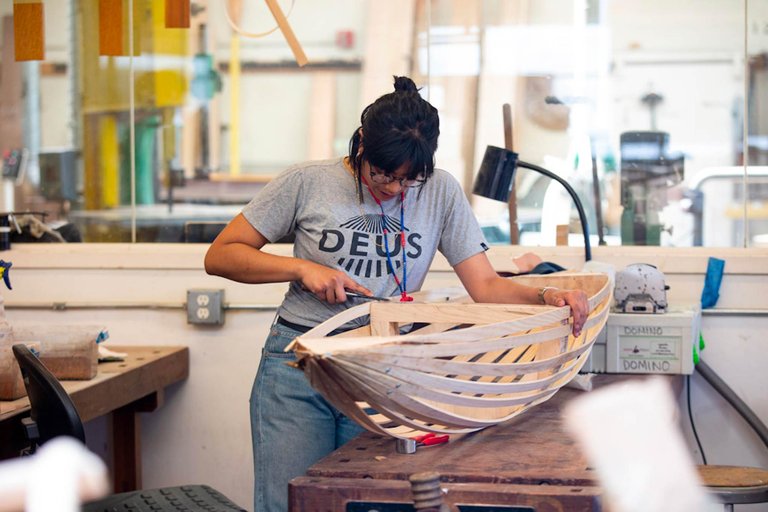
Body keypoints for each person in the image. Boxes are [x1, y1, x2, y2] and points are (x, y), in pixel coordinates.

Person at [204, 76, 589, 512]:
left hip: (384, 373)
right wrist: (302, 268)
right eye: (383, 174)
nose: (393, 188)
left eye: (409, 180)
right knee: (290, 504)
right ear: (362, 144)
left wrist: (547, 294)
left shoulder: (441, 191)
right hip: (299, 368)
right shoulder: (306, 182)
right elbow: (222, 255)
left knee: (372, 503)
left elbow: (486, 286)